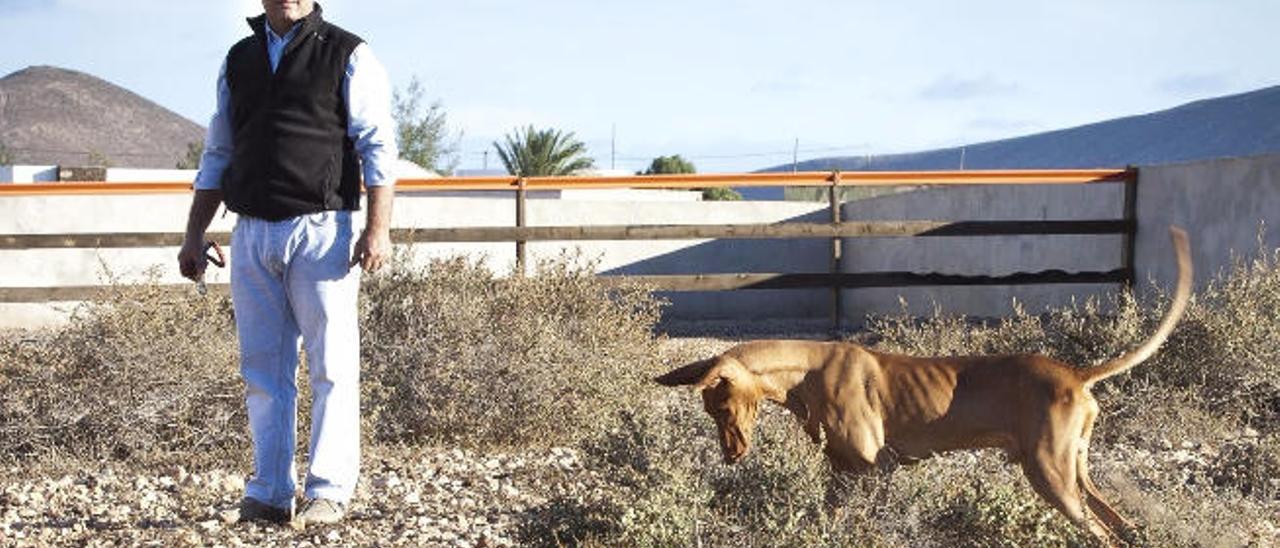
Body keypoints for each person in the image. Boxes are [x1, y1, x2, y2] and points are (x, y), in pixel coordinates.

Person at [177, 0, 397, 526]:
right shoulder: (239, 59)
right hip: (251, 229)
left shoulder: (347, 53)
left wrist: (377, 227)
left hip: (323, 229)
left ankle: (328, 490)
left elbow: (377, 143)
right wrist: (193, 232)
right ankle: (269, 491)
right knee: (263, 369)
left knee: (332, 365)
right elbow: (219, 150)